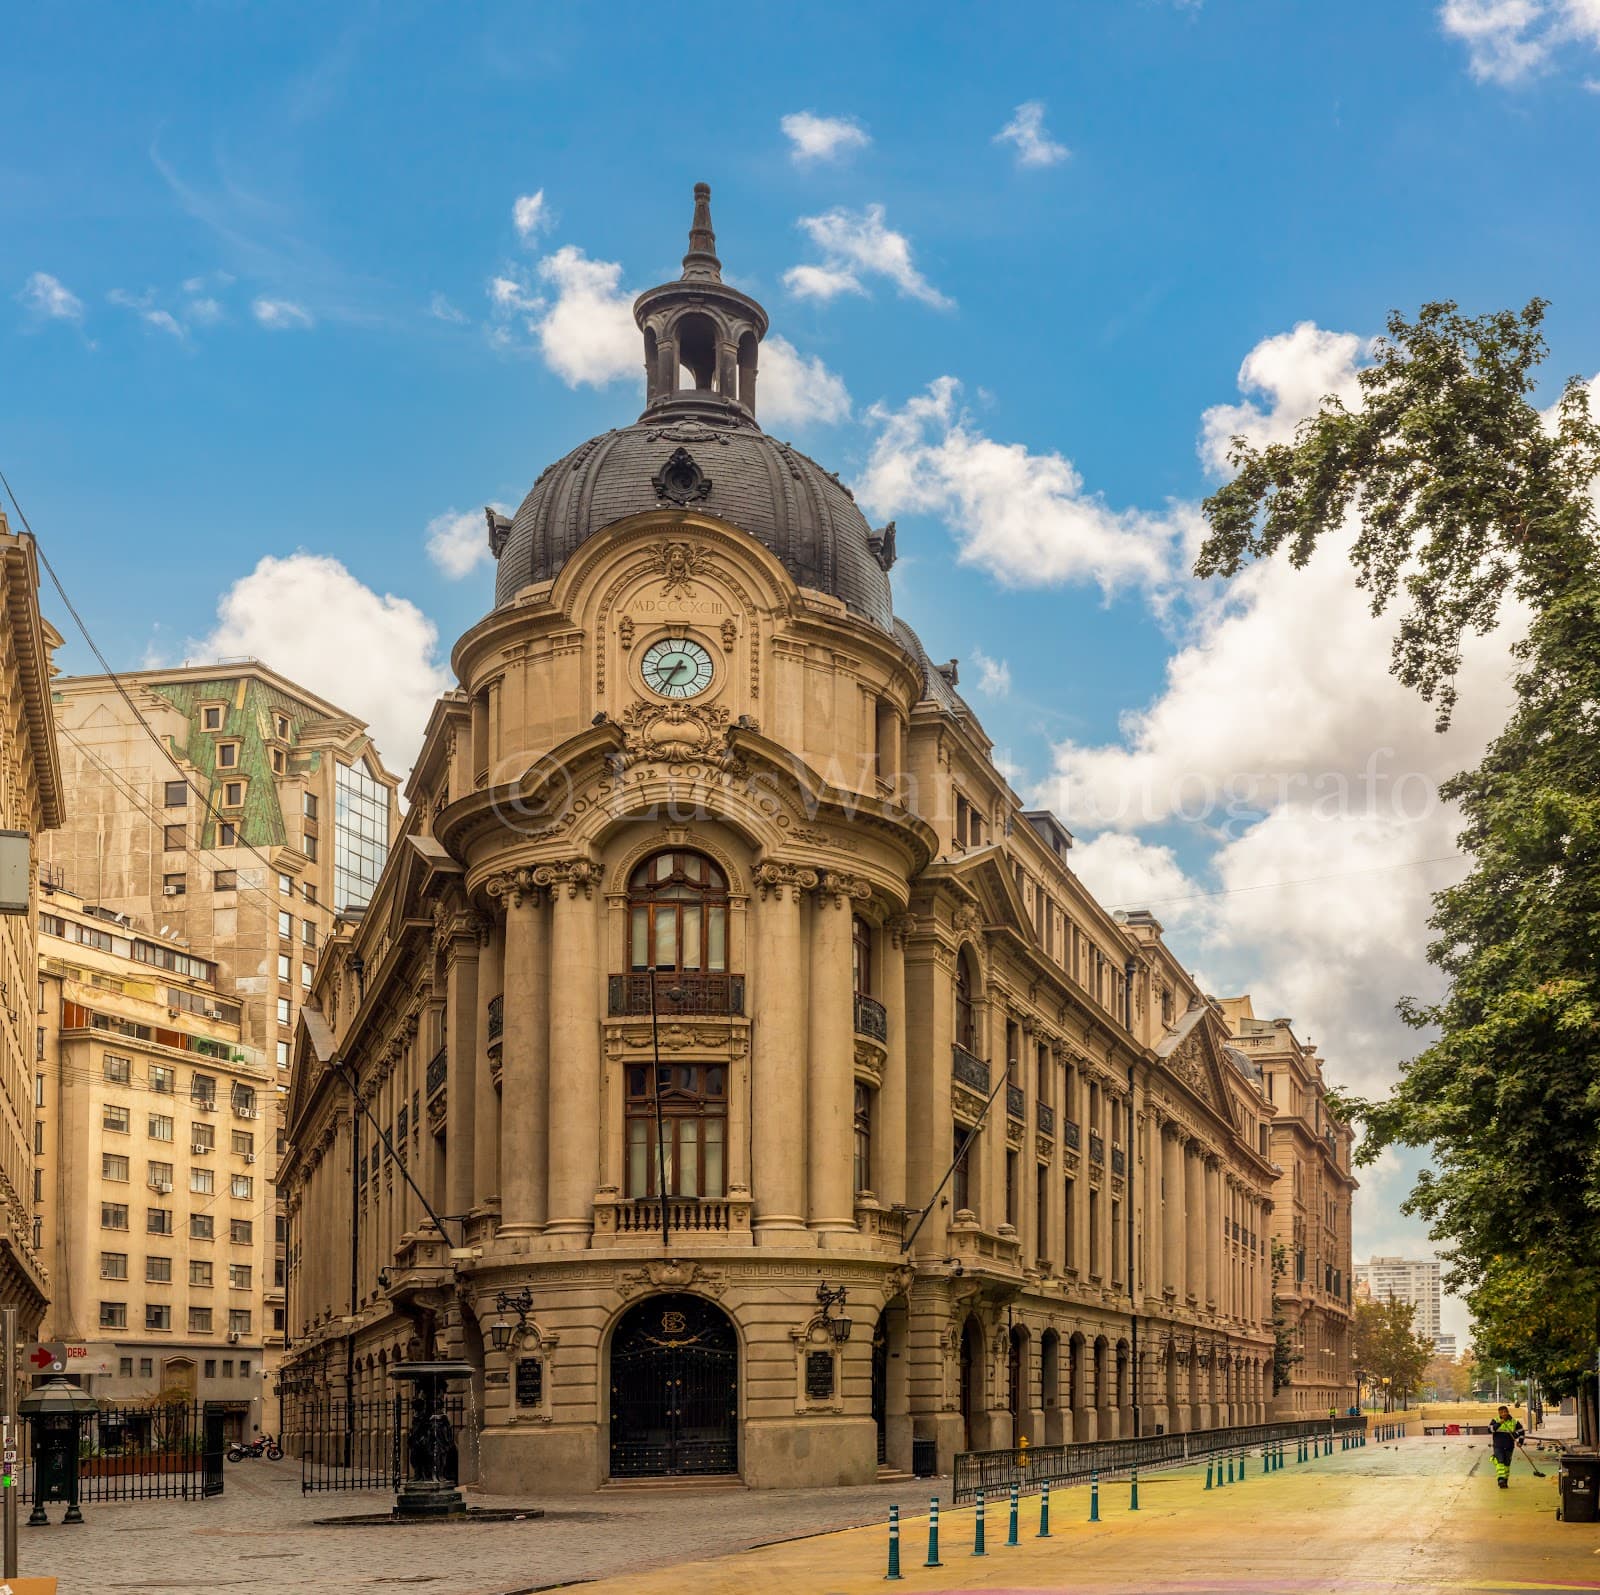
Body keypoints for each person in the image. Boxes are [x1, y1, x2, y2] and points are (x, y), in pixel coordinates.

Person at [1488, 1405, 1524, 1488]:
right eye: (1502, 1412)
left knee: (1507, 1463)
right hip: (1498, 1446)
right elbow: (1490, 1430)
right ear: (1499, 1413)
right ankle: (1500, 1479)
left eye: (1505, 1412)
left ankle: (1505, 1481)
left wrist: (1520, 1442)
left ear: (1508, 1412)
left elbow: (1521, 1432)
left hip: (1509, 1446)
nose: (1504, 1414)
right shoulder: (1495, 1420)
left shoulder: (1514, 1422)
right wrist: (1499, 1423)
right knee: (1500, 1461)